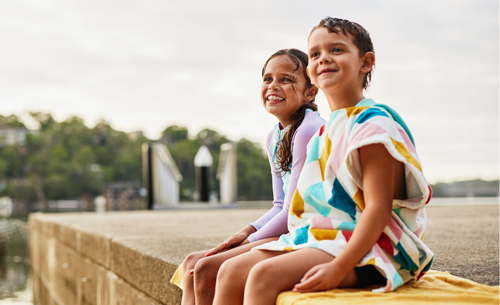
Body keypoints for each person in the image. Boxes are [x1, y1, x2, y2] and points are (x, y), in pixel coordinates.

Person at [212, 17, 434, 305]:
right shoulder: (324, 131)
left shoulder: (372, 124)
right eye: (315, 54)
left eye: (337, 50)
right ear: (311, 73)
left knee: (262, 275)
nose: (324, 58)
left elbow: (377, 211)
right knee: (229, 270)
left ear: (366, 62)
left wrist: (338, 268)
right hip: (325, 238)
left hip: (378, 248)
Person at [180, 48, 326, 305]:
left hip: (308, 231)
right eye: (267, 79)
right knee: (192, 262)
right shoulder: (274, 136)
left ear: (310, 92)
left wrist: (250, 239)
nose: (273, 86)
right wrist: (246, 231)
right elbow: (279, 204)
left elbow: (293, 211)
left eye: (286, 79)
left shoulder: (308, 129)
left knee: (205, 269)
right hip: (291, 226)